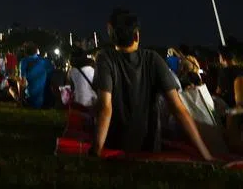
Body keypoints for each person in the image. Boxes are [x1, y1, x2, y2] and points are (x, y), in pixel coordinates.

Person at [92, 9, 214, 160]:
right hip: (149, 147)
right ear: (137, 35)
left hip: (114, 146)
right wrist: (206, 155)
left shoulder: (104, 58)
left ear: (111, 35)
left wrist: (96, 150)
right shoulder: (153, 59)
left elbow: (105, 107)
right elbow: (178, 109)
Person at [18, 43, 53, 108]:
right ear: (36, 51)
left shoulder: (24, 61)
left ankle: (20, 100)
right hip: (47, 101)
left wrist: (21, 99)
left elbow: (22, 82)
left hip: (31, 101)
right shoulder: (45, 61)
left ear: (25, 52)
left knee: (12, 88)